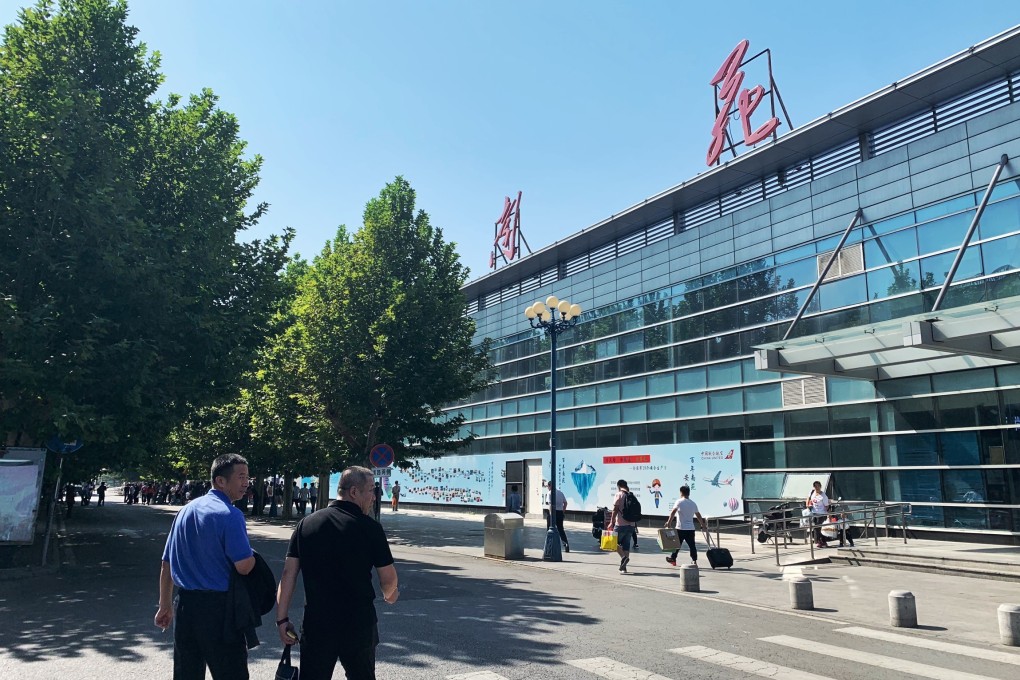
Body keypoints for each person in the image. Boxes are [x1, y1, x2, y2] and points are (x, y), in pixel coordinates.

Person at [276, 466, 399, 680]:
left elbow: (288, 574)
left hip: (318, 623)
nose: (374, 496)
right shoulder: (370, 528)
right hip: (358, 622)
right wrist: (391, 595)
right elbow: (388, 579)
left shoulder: (306, 524)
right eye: (371, 490)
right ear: (354, 492)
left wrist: (282, 619)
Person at [155, 453, 256, 680]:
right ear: (220, 481)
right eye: (240, 477)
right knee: (231, 672)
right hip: (219, 610)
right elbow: (244, 566)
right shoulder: (231, 515)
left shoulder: (185, 511)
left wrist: (165, 605)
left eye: (247, 477)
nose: (246, 483)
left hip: (185, 606)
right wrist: (253, 558)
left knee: (187, 673)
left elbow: (166, 563)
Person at [664, 484, 707, 567]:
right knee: (692, 545)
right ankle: (694, 560)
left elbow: (673, 512)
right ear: (689, 493)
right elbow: (698, 515)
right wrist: (703, 525)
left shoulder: (679, 501)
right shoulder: (693, 503)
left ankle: (673, 558)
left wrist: (669, 522)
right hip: (690, 529)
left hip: (680, 528)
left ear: (681, 493)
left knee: (677, 544)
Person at [606, 479, 636, 573]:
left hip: (620, 524)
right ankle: (624, 568)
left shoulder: (618, 494)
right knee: (626, 546)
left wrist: (611, 522)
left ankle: (623, 557)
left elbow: (615, 509)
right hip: (631, 525)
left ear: (619, 486)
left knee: (613, 543)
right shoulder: (631, 495)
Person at [806, 480, 830, 548]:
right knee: (816, 528)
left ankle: (823, 541)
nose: (817, 487)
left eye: (818, 486)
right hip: (814, 513)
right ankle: (820, 541)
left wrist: (828, 514)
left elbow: (826, 505)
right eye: (815, 486)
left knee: (820, 528)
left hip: (821, 514)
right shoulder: (812, 492)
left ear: (820, 486)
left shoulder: (823, 495)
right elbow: (808, 498)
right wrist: (807, 504)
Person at [548, 485, 569, 553]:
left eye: (548, 487)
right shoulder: (560, 493)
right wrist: (563, 511)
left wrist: (551, 514)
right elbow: (565, 503)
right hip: (560, 512)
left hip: (554, 512)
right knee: (561, 529)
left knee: (549, 529)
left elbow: (550, 504)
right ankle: (566, 544)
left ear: (549, 486)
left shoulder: (550, 493)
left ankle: (549, 546)